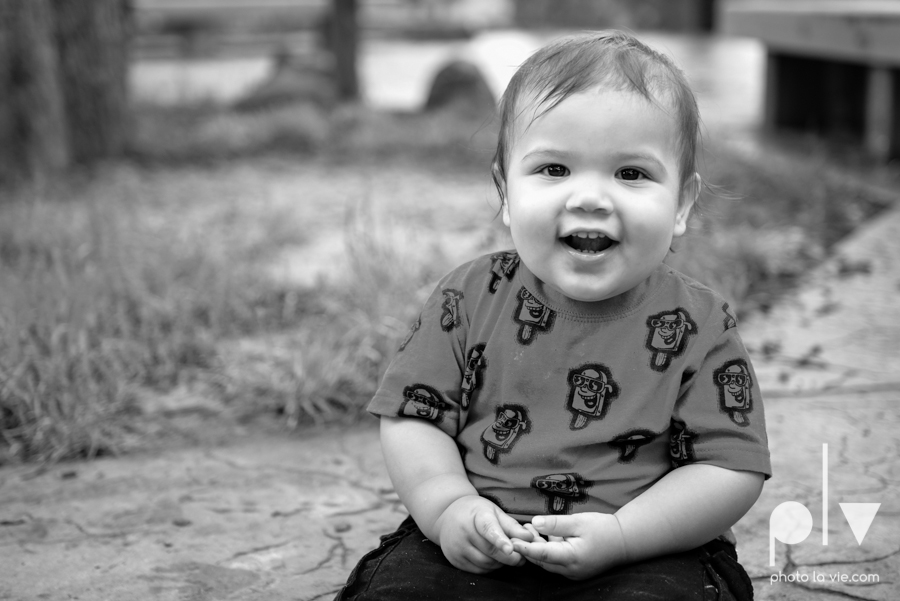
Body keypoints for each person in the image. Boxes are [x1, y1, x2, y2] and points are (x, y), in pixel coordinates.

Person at [335, 30, 770, 600]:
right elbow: (416, 417)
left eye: (631, 174)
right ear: (505, 192)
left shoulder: (699, 325)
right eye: (555, 170)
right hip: (483, 540)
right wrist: (447, 507)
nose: (589, 197)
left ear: (682, 204)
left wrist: (623, 535)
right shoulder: (466, 298)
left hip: (648, 548)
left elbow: (729, 467)